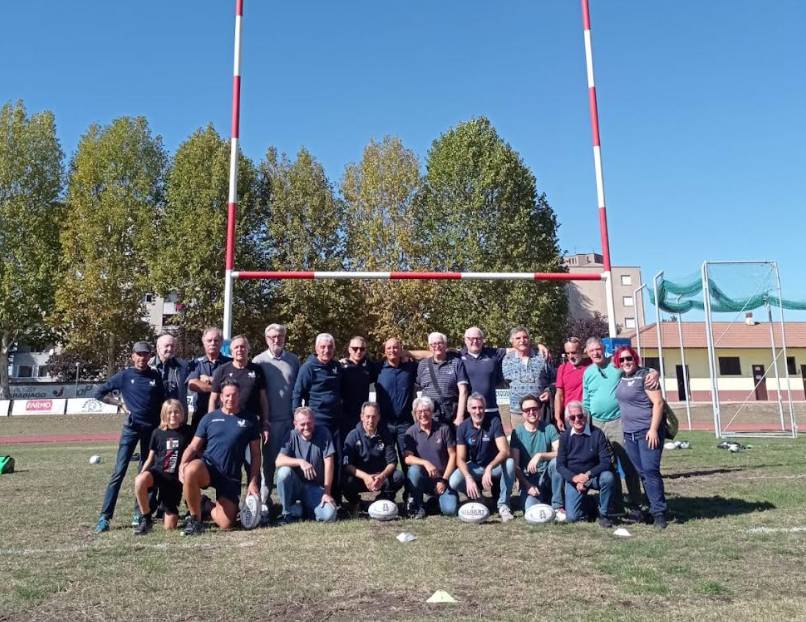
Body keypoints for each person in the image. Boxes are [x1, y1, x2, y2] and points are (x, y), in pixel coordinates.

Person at [94, 341, 166, 533]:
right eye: (139, 354)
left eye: (145, 354)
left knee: (144, 473)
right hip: (130, 429)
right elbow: (99, 393)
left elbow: (162, 402)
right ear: (132, 356)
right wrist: (119, 403)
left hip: (150, 432)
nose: (142, 358)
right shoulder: (124, 376)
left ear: (150, 356)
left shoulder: (155, 376)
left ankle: (140, 513)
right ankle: (105, 517)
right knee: (118, 472)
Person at [179, 379, 262, 535]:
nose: (231, 399)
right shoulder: (209, 418)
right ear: (221, 397)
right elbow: (193, 446)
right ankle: (195, 520)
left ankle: (205, 505)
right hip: (208, 468)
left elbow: (256, 455)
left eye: (234, 395)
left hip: (230, 476)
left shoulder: (250, 420)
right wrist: (182, 464)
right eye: (227, 395)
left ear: (239, 396)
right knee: (190, 470)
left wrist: (252, 482)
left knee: (226, 524)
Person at [582, 336, 643, 516]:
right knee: (608, 466)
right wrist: (586, 426)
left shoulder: (616, 365)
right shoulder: (588, 372)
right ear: (588, 353)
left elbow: (636, 370)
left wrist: (652, 373)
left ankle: (636, 503)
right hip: (597, 423)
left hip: (618, 421)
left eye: (598, 349)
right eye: (592, 351)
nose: (596, 353)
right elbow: (586, 401)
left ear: (604, 349)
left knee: (628, 462)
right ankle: (617, 504)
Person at [614, 346, 668, 529]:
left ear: (635, 358)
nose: (625, 362)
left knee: (651, 471)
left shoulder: (646, 376)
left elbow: (658, 403)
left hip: (647, 432)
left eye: (629, 358)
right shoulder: (621, 377)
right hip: (629, 433)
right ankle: (651, 508)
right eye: (621, 360)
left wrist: (653, 429)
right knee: (642, 473)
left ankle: (659, 513)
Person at [292, 333, 344, 502]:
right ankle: (313, 496)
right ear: (316, 349)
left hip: (336, 421)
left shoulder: (337, 367)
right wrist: (297, 421)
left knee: (336, 459)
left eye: (329, 347)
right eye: (322, 347)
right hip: (316, 422)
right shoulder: (308, 368)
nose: (326, 350)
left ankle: (334, 497)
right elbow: (297, 394)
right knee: (319, 460)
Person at [448, 393, 516, 522]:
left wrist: (490, 467)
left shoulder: (494, 421)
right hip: (475, 467)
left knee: (510, 463)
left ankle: (504, 506)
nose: (477, 411)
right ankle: (478, 497)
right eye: (474, 408)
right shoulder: (463, 427)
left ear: (484, 408)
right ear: (468, 409)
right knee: (454, 480)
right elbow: (460, 459)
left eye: (480, 407)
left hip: (494, 466)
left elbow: (505, 451)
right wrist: (468, 477)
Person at [252, 323, 300, 503]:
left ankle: (289, 499)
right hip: (268, 423)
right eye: (272, 337)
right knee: (268, 464)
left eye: (279, 336)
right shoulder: (259, 361)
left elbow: (298, 389)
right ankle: (265, 501)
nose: (276, 340)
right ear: (266, 339)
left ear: (284, 338)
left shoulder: (294, 360)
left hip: (289, 422)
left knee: (289, 461)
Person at [133, 399, 192, 534]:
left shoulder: (188, 432)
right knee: (140, 481)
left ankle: (201, 503)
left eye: (176, 412)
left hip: (175, 481)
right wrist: (142, 473)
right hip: (158, 474)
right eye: (169, 412)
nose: (173, 415)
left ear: (181, 414)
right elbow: (150, 458)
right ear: (164, 415)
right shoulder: (157, 433)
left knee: (170, 527)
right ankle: (146, 519)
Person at [556, 401, 616, 528]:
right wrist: (575, 479)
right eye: (573, 417)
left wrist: (587, 476)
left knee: (608, 477)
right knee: (572, 518)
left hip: (594, 477)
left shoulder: (597, 433)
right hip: (575, 479)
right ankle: (591, 503)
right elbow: (560, 465)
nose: (577, 419)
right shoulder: (565, 436)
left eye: (580, 416)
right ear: (568, 419)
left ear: (585, 416)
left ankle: (604, 514)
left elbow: (606, 461)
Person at [275, 407, 337, 523]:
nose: (306, 427)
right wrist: (300, 462)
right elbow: (278, 460)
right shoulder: (291, 435)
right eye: (302, 424)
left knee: (330, 515)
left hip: (314, 487)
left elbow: (329, 463)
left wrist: (327, 493)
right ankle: (287, 513)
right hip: (295, 486)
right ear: (295, 424)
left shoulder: (323, 433)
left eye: (309, 423)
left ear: (314, 421)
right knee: (283, 472)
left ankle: (301, 510)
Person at [510, 394, 565, 520]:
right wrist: (527, 485)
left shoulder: (549, 428)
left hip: (547, 477)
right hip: (529, 481)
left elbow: (560, 452)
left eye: (534, 408)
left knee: (557, 462)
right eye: (527, 410)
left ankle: (557, 506)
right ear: (522, 414)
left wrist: (540, 455)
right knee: (531, 511)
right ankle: (544, 500)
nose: (531, 412)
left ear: (539, 410)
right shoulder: (517, 433)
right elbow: (516, 466)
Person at [341, 402, 404, 511]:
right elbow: (347, 465)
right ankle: (356, 502)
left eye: (374, 417)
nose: (370, 420)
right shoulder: (353, 435)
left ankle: (382, 499)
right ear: (362, 417)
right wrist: (366, 477)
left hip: (380, 478)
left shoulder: (385, 434)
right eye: (367, 417)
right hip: (361, 478)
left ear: (379, 417)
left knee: (399, 476)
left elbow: (392, 462)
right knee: (345, 480)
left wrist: (381, 476)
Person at [403, 396, 459, 518]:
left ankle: (434, 502)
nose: (423, 414)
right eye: (419, 412)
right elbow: (407, 458)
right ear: (415, 414)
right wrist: (425, 463)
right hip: (425, 479)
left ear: (432, 411)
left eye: (426, 410)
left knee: (450, 511)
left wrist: (443, 480)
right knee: (413, 470)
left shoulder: (444, 429)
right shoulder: (411, 432)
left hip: (444, 478)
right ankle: (418, 505)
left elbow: (453, 455)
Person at [209, 335, 269, 441]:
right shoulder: (222, 370)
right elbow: (213, 398)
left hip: (251, 422)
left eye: (242, 347)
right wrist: (211, 421)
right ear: (231, 351)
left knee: (252, 455)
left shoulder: (257, 370)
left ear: (248, 350)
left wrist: (265, 422)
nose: (239, 350)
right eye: (236, 347)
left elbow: (263, 398)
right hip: (227, 422)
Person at [375, 337, 419, 472]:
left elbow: (430, 355)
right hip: (384, 423)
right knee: (385, 460)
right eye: (389, 348)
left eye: (395, 347)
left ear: (401, 349)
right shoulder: (377, 368)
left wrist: (408, 353)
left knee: (408, 459)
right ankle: (388, 492)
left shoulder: (411, 367)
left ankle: (410, 492)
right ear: (384, 350)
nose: (392, 350)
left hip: (405, 423)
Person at [501, 326, 551, 428]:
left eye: (525, 337)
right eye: (518, 338)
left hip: (538, 412)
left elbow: (554, 380)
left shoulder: (542, 356)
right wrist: (505, 421)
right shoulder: (506, 359)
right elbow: (502, 388)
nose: (522, 341)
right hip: (516, 414)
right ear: (512, 342)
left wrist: (548, 391)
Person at [415, 332, 469, 427]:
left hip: (451, 414)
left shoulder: (456, 363)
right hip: (428, 415)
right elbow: (417, 389)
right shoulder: (422, 365)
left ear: (445, 345)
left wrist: (460, 416)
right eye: (434, 344)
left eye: (440, 343)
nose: (437, 346)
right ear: (430, 347)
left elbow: (463, 391)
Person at [187, 327, 232, 431]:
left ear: (221, 343)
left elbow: (233, 386)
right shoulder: (196, 363)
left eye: (216, 340)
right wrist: (220, 386)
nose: (212, 343)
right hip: (200, 415)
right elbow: (192, 384)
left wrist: (210, 380)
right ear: (203, 342)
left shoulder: (230, 363)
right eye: (209, 340)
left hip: (226, 413)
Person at [459, 327, 506, 422]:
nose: (475, 341)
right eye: (471, 338)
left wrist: (538, 347)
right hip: (469, 412)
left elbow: (518, 349)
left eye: (478, 338)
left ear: (483, 340)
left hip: (491, 409)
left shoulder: (493, 353)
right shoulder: (458, 356)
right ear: (465, 340)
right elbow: (431, 353)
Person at [340, 336, 380, 435]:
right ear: (349, 349)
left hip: (363, 417)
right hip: (344, 415)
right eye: (355, 348)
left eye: (362, 349)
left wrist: (405, 355)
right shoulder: (340, 367)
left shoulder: (369, 366)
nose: (358, 351)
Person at [554, 337, 591, 432]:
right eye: (568, 353)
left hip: (588, 414)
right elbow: (559, 395)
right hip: (570, 416)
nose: (570, 356)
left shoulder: (591, 365)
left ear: (582, 351)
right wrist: (558, 417)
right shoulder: (562, 368)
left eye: (574, 352)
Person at [149, 333, 191, 412]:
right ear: (158, 348)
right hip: (153, 415)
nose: (170, 349)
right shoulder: (148, 365)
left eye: (172, 346)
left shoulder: (184, 366)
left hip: (176, 415)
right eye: (167, 346)